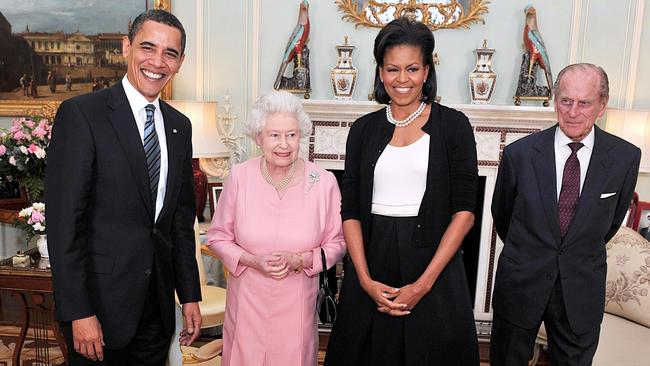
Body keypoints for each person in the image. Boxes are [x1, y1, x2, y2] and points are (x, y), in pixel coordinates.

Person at [45, 9, 201, 365]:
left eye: (170, 53)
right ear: (126, 47)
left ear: (180, 63)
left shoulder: (180, 127)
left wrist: (189, 294)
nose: (157, 62)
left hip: (156, 310)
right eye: (148, 47)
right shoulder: (83, 116)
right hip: (98, 310)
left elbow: (179, 223)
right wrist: (79, 312)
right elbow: (64, 226)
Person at [324, 17, 480, 365]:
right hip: (373, 261)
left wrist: (422, 286)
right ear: (380, 72)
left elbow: (466, 212)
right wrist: (363, 279)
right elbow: (349, 210)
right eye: (392, 69)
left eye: (412, 69)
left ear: (427, 71)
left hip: (434, 268)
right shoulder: (363, 130)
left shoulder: (454, 126)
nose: (402, 79)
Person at [490, 63, 641, 366]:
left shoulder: (625, 157)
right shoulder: (520, 154)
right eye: (566, 101)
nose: (573, 111)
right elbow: (502, 214)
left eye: (584, 103)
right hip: (522, 281)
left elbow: (609, 224)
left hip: (581, 289)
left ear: (602, 106)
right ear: (555, 100)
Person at [207, 90, 346, 366]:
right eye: (274, 135)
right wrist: (253, 261)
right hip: (247, 303)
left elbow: (338, 243)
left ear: (301, 136)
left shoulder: (323, 182)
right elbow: (217, 236)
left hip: (297, 305)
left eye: (291, 135)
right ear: (258, 138)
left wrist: (301, 260)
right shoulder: (240, 176)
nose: (284, 144)